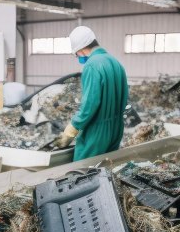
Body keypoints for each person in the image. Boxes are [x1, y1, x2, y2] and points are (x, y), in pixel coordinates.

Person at [53, 26, 128, 161]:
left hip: (97, 132)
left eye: (76, 54)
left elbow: (89, 105)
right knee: (107, 170)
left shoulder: (92, 65)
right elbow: (124, 97)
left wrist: (71, 131)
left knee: (83, 172)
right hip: (117, 127)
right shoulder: (116, 63)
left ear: (80, 50)